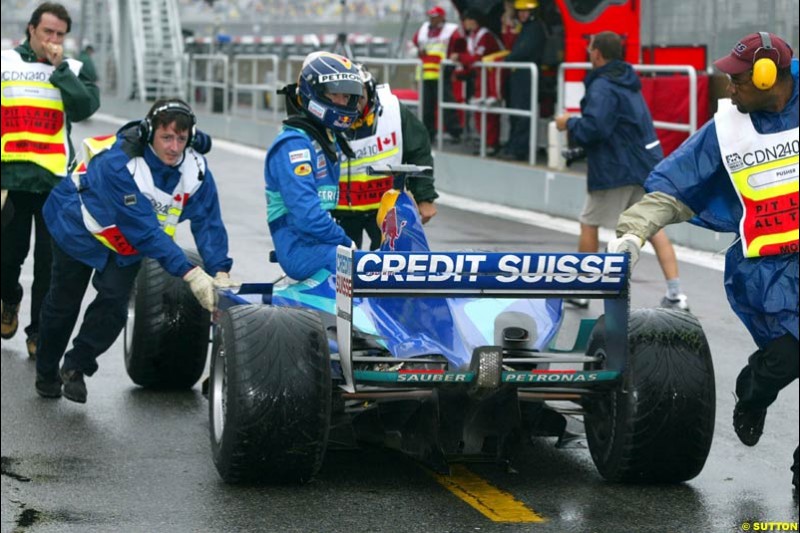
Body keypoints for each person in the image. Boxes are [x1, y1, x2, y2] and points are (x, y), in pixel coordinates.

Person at [608, 32, 798, 491]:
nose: (728, 90)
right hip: (770, 276)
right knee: (785, 360)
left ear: (769, 77)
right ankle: (753, 391)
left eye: (737, 80)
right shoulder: (728, 130)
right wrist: (633, 232)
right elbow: (676, 187)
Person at [34, 98, 236, 403]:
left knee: (114, 305)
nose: (174, 147)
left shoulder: (195, 171)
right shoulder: (120, 164)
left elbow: (209, 222)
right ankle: (46, 372)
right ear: (148, 133)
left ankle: (76, 366)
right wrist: (191, 273)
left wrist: (219, 268)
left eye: (181, 139)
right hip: (77, 227)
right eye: (166, 138)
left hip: (126, 244)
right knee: (64, 304)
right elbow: (144, 230)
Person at [554, 31, 688, 310]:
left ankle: (582, 289)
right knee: (652, 227)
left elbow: (596, 127)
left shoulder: (603, 85)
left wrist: (569, 123)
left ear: (598, 54)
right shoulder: (628, 80)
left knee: (589, 222)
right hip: (643, 165)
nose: (588, 53)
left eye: (590, 49)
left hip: (615, 167)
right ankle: (676, 293)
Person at [1, 2, 100, 359]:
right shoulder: (6, 63)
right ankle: (8, 298)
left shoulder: (71, 68)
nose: (54, 40)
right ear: (32, 30)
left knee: (48, 265)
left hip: (54, 184)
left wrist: (61, 71)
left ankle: (38, 334)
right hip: (10, 180)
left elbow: (86, 107)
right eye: (48, 32)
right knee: (7, 257)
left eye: (60, 34)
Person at [265, 52, 362, 279]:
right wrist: (345, 241)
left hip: (320, 242)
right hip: (299, 249)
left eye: (346, 96)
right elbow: (306, 214)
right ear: (315, 94)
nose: (342, 102)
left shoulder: (326, 138)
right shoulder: (294, 145)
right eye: (335, 94)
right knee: (365, 268)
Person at [332, 65, 439, 250]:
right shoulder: (326, 116)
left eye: (357, 93)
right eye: (345, 94)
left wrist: (425, 197)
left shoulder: (393, 111)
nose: (351, 101)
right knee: (340, 269)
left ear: (370, 90)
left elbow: (419, 150)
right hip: (341, 210)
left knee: (390, 268)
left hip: (385, 206)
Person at [452, 9, 506, 156]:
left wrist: (460, 57)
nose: (465, 24)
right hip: (480, 80)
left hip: (490, 80)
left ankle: (491, 144)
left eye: (467, 20)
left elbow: (477, 58)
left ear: (474, 21)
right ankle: (484, 142)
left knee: (489, 111)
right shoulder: (473, 36)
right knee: (480, 111)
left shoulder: (485, 36)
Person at [500, 0, 547, 161]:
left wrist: (507, 59)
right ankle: (513, 145)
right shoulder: (526, 28)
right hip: (519, 76)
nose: (522, 14)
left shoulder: (535, 29)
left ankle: (519, 149)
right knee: (516, 112)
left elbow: (523, 51)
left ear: (533, 12)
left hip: (527, 78)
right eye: (520, 11)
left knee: (523, 112)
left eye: (525, 11)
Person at [412, 5, 464, 143]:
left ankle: (455, 133)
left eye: (435, 17)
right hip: (425, 74)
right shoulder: (423, 30)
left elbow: (459, 46)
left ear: (442, 17)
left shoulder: (451, 30)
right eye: (431, 17)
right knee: (427, 107)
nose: (432, 19)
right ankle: (429, 133)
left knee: (447, 104)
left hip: (443, 73)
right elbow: (415, 42)